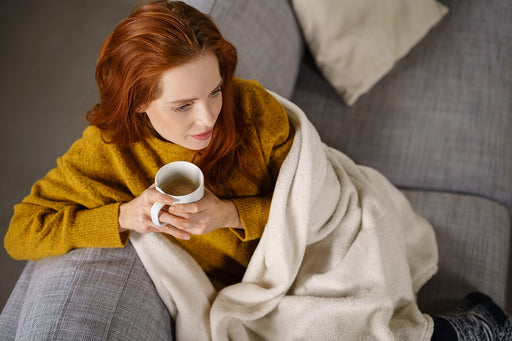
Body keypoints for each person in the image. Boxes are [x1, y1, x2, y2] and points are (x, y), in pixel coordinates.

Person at [0, 1, 510, 340]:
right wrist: (125, 216)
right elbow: (22, 232)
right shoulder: (108, 151)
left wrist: (227, 215)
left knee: (359, 300)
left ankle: (473, 328)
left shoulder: (252, 109)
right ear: (137, 106)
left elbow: (312, 204)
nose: (207, 119)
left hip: (315, 236)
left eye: (215, 91)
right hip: (255, 281)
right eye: (182, 106)